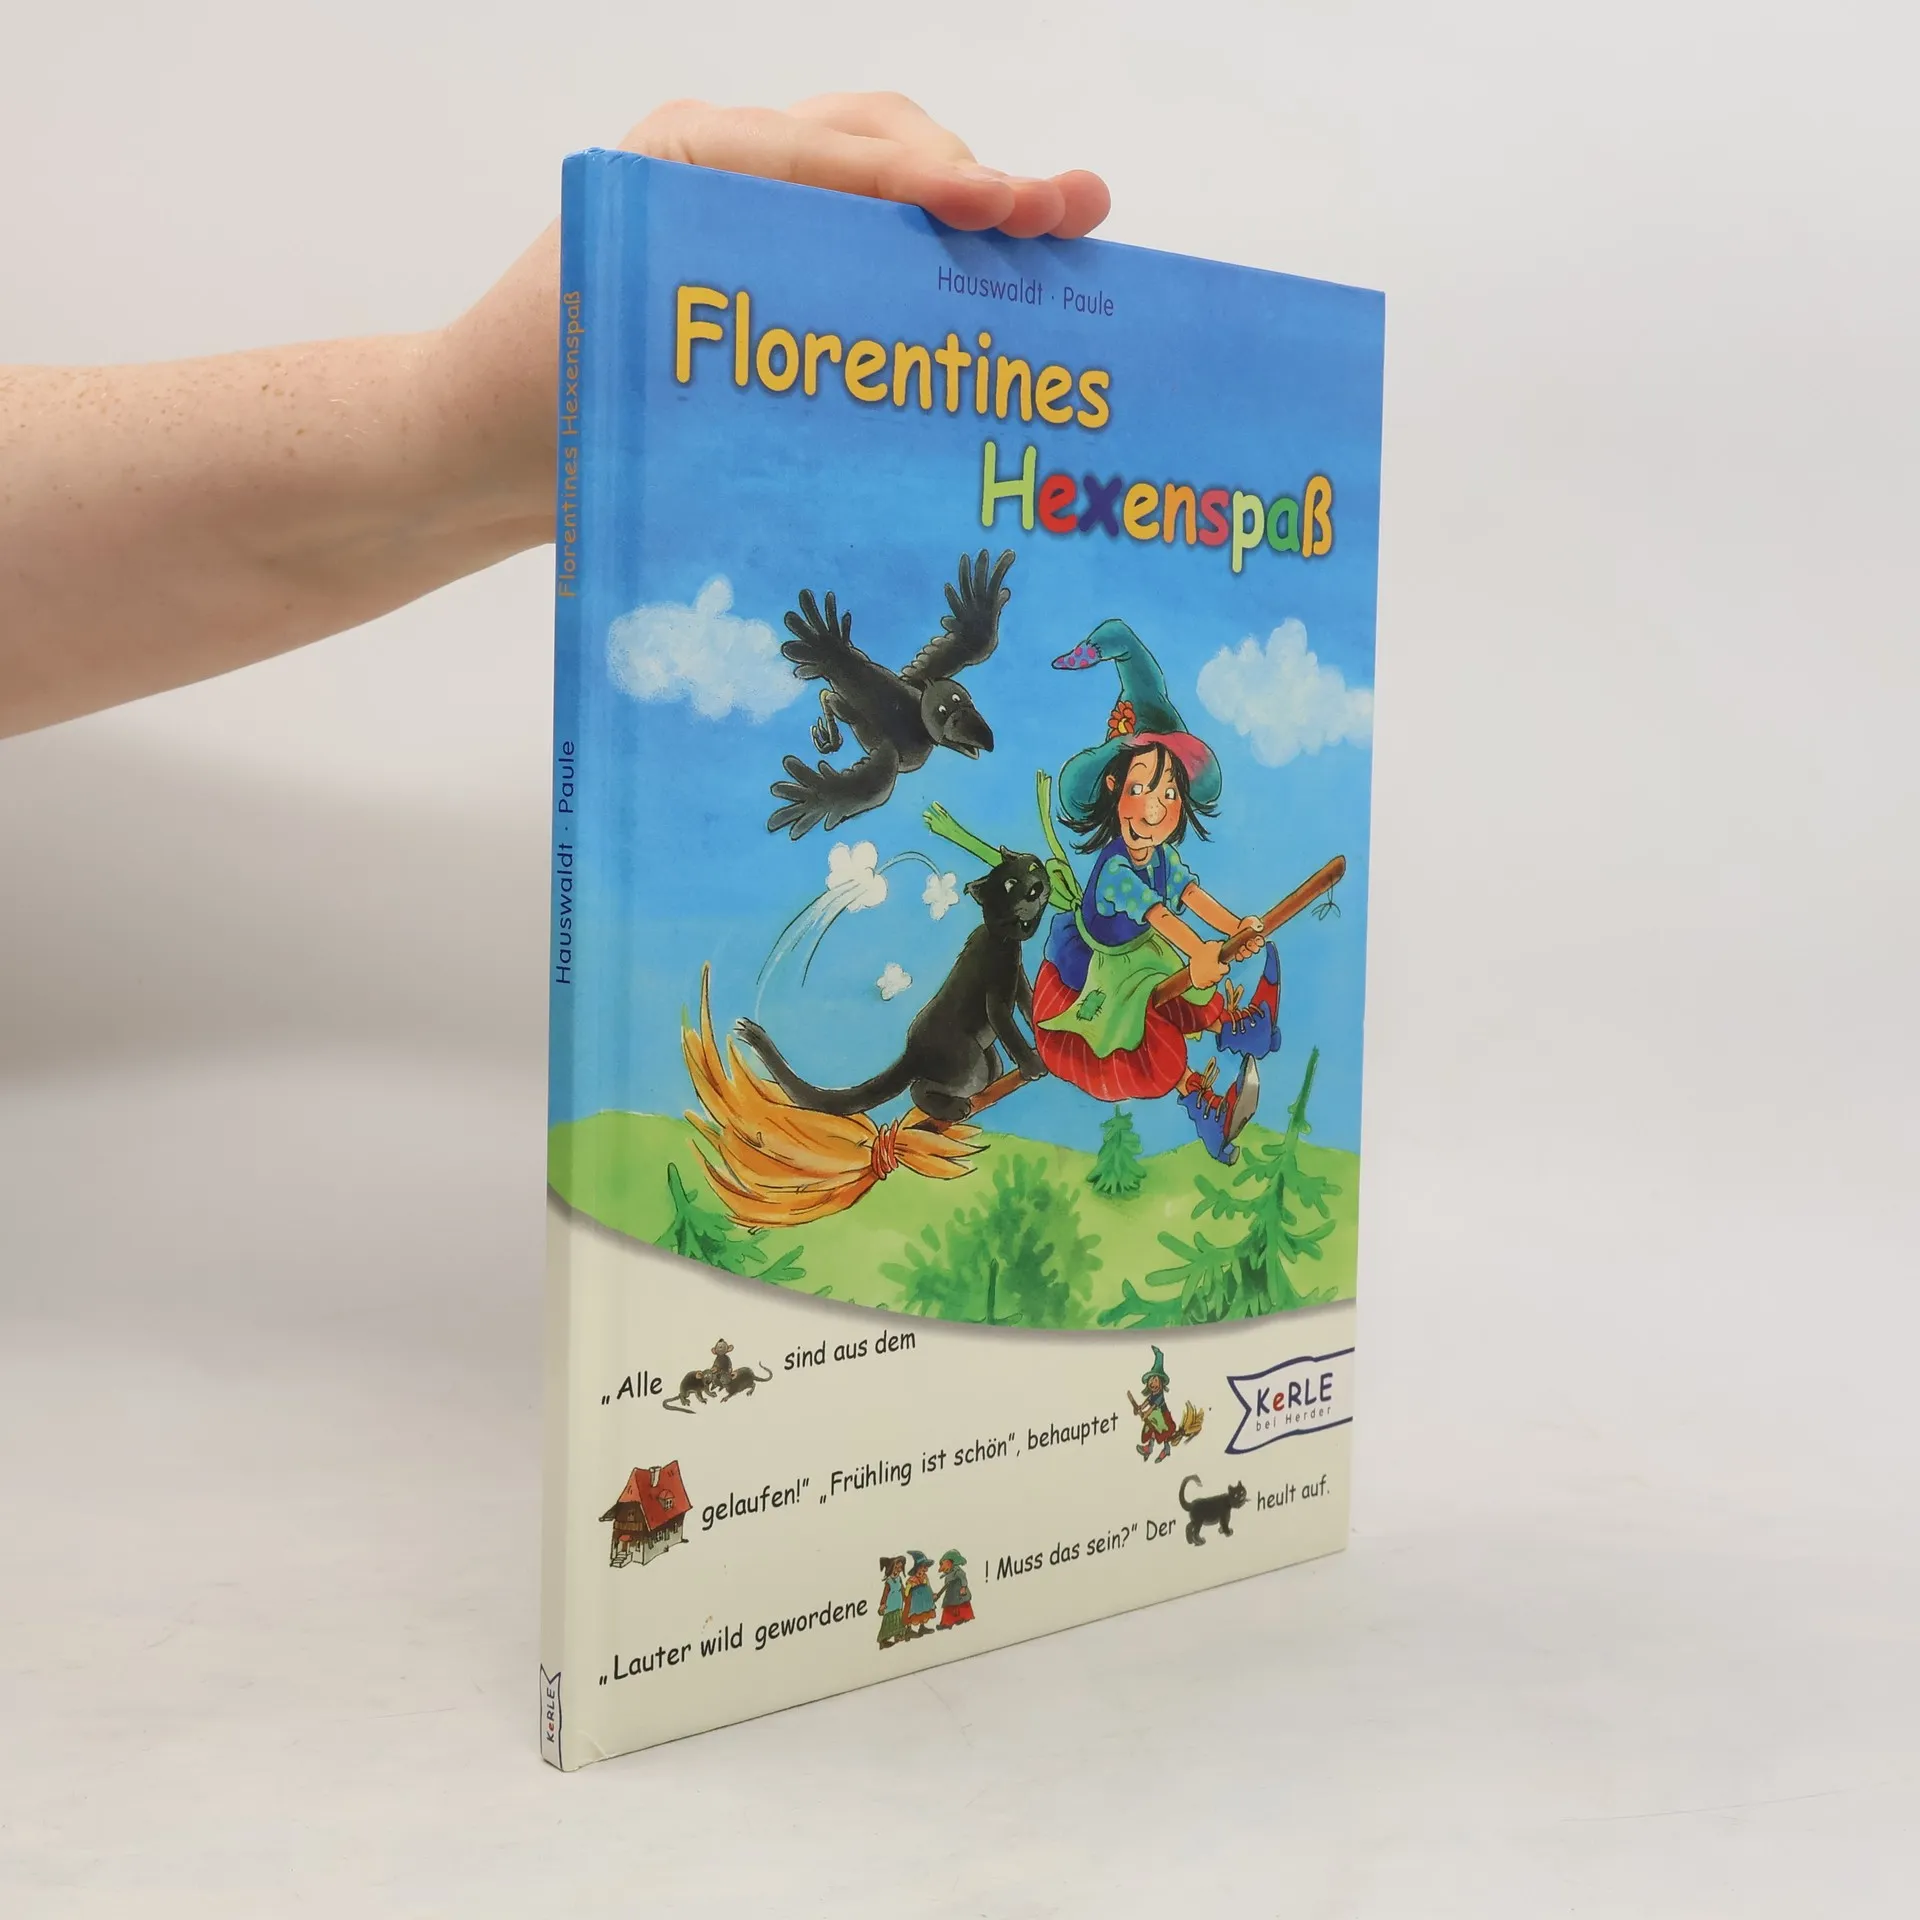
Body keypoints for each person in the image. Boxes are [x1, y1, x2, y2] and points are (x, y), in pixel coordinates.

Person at [0, 95, 1108, 740]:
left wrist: (440, 430)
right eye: (955, 707)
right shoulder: (921, 697)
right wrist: (443, 425)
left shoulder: (904, 737)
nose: (949, 706)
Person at [1032, 622, 1283, 1163]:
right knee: (1147, 1031)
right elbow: (1162, 917)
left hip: (1143, 950)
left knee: (1189, 993)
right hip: (1106, 970)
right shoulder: (1117, 871)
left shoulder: (1161, 857)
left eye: (1169, 792)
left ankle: (1235, 1029)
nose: (1156, 807)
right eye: (1141, 788)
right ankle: (1201, 1104)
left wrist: (1235, 928)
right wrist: (1200, 954)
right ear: (1114, 789)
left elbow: (1188, 896)